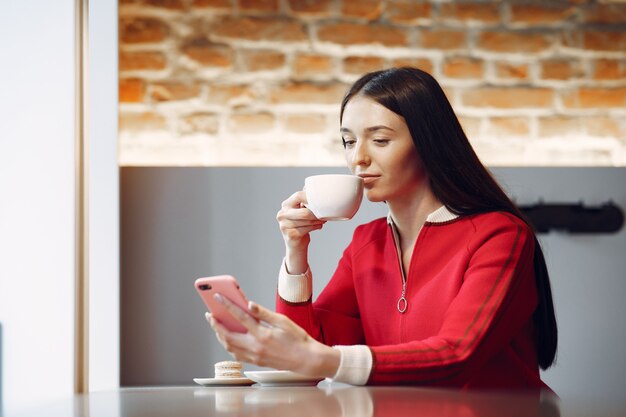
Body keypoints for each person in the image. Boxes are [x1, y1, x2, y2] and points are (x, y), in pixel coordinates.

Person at [207, 67, 558, 390]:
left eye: (380, 140)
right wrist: (295, 252)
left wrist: (317, 358)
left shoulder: (499, 235)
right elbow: (313, 346)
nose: (357, 158)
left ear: (427, 144)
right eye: (348, 141)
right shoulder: (367, 242)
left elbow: (457, 355)